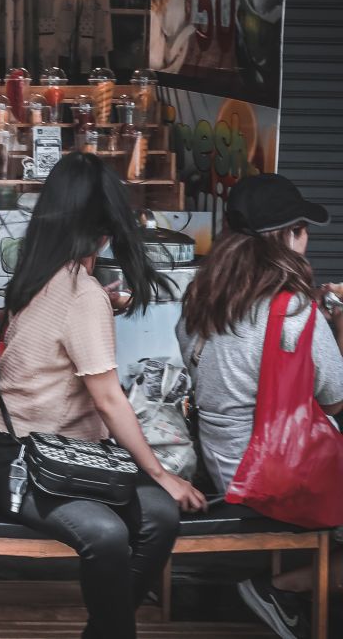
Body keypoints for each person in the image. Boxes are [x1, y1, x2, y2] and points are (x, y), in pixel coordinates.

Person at [0, 152, 206, 639]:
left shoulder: (42, 275)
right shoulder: (81, 293)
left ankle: (104, 631)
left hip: (55, 457)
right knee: (108, 534)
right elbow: (108, 400)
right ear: (106, 230)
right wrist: (161, 473)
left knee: (160, 517)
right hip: (27, 468)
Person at [179, 173, 343, 639]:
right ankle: (282, 587)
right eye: (304, 229)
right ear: (287, 236)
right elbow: (334, 400)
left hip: (221, 461)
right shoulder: (294, 309)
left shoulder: (199, 297)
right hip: (274, 471)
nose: (308, 239)